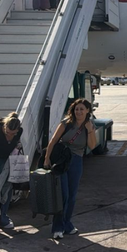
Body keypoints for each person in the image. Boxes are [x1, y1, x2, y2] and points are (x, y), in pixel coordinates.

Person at [44, 98, 97, 239]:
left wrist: (89, 130)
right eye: (76, 109)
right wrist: (47, 158)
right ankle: (57, 227)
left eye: (82, 109)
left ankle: (67, 223)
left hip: (77, 161)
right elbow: (53, 141)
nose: (79, 112)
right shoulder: (66, 123)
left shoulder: (90, 125)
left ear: (87, 110)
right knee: (63, 195)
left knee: (72, 196)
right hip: (62, 160)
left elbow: (92, 146)